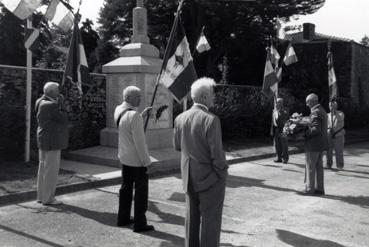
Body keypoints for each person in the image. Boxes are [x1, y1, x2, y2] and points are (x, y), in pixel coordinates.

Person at [173, 77, 228, 247]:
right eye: (212, 94)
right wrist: (222, 173)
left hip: (189, 177)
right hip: (210, 179)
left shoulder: (180, 118)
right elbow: (217, 156)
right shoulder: (211, 119)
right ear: (204, 96)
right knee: (211, 221)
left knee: (192, 220)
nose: (214, 97)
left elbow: (177, 146)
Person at [115, 85, 154, 232]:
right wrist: (147, 162)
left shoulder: (119, 109)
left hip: (124, 157)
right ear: (129, 98)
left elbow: (127, 125)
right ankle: (140, 223)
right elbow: (140, 142)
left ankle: (123, 218)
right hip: (137, 161)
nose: (140, 98)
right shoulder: (134, 116)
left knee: (125, 188)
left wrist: (142, 115)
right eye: (138, 96)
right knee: (141, 192)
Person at [35, 81, 69, 205]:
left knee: (43, 168)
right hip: (52, 140)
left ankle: (41, 196)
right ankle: (48, 198)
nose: (59, 92)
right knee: (51, 170)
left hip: (43, 138)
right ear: (53, 92)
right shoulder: (51, 105)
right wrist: (62, 104)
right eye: (58, 90)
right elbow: (64, 119)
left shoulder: (39, 101)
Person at [300, 93, 328, 196]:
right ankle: (320, 189)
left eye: (308, 102)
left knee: (310, 166)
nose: (307, 104)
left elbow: (316, 129)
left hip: (313, 144)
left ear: (313, 101)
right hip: (320, 144)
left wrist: (304, 133)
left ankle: (309, 189)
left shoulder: (315, 112)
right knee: (319, 167)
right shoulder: (322, 110)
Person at [326, 100, 345, 169]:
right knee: (328, 151)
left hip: (338, 135)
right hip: (329, 134)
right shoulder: (327, 115)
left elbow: (340, 118)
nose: (331, 107)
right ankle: (329, 164)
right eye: (330, 106)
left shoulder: (340, 113)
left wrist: (335, 111)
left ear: (336, 106)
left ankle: (340, 165)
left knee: (339, 151)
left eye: (333, 106)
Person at [271, 97, 290, 163]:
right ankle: (279, 157)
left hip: (283, 129)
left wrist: (279, 110)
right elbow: (273, 121)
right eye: (277, 102)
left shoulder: (286, 109)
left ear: (282, 103)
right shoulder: (274, 110)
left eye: (280, 102)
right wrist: (271, 130)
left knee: (284, 145)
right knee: (277, 144)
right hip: (276, 129)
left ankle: (285, 158)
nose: (278, 103)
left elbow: (284, 117)